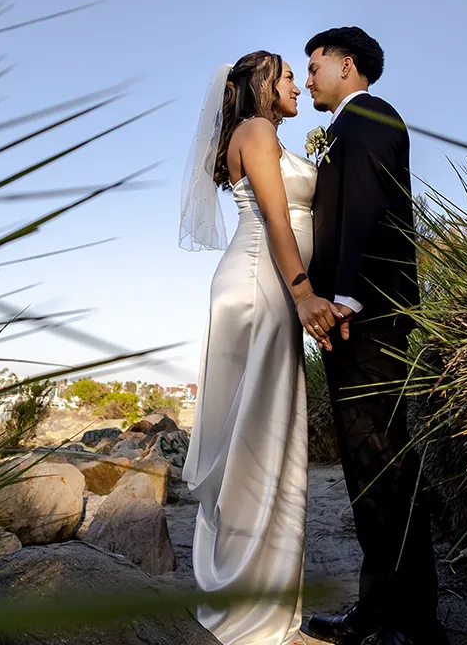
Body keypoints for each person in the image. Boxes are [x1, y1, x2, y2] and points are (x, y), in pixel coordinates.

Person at [180, 50, 343, 645]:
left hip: (265, 284)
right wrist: (303, 294)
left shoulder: (264, 134)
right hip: (260, 284)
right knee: (257, 433)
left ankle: (259, 592)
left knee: (264, 431)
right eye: (288, 76)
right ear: (260, 86)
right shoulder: (254, 130)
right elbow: (276, 216)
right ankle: (250, 605)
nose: (298, 84)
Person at [302, 27, 447, 645]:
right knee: (368, 465)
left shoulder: (370, 117)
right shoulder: (350, 123)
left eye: (314, 65)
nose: (308, 77)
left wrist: (343, 297)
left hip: (368, 313)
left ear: (347, 64)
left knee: (382, 459)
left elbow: (363, 208)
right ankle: (380, 610)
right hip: (359, 315)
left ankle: (413, 624)